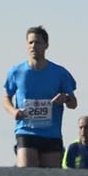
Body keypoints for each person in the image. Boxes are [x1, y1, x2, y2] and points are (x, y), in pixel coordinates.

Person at [4, 26, 77, 168]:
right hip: (26, 130)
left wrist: (66, 98)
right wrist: (13, 111)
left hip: (51, 133)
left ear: (46, 45)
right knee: (26, 173)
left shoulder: (59, 73)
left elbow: (73, 103)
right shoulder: (17, 71)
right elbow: (6, 98)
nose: (33, 46)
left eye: (37, 42)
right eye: (30, 42)